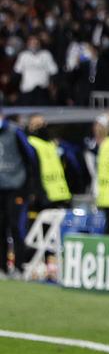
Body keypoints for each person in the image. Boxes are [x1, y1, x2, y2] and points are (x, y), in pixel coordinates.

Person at [22, 115, 73, 272]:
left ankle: (49, 266)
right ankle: (33, 264)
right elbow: (32, 171)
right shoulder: (30, 143)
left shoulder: (51, 144)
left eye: (43, 123)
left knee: (52, 235)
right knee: (36, 233)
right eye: (37, 124)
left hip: (56, 195)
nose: (42, 126)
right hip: (39, 197)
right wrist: (36, 193)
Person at [0, 111, 35, 274]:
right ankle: (2, 267)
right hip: (1, 188)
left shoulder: (15, 132)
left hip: (16, 187)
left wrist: (28, 188)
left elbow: (30, 158)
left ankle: (19, 266)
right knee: (1, 227)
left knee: (16, 226)